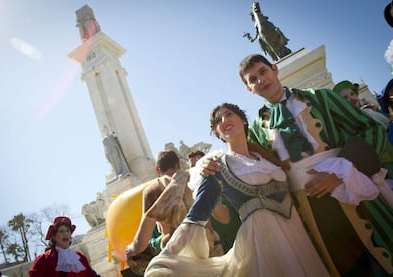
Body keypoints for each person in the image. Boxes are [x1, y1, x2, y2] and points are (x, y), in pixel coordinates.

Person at [199, 54, 393, 276]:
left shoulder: (321, 98)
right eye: (253, 79)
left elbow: (369, 128)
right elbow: (243, 157)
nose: (260, 80)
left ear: (275, 69)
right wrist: (206, 163)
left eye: (263, 72)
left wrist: (342, 169)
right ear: (249, 89)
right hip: (310, 216)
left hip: (354, 190)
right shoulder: (257, 128)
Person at [145, 103, 329, 276]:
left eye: (228, 114)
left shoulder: (268, 158)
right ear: (217, 133)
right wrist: (168, 254)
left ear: (243, 120)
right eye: (218, 121)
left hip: (298, 235)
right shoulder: (217, 165)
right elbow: (198, 213)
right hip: (261, 243)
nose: (224, 121)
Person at [125, 150, 223, 275]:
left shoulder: (153, 189)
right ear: (178, 165)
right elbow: (225, 218)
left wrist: (132, 249)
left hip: (180, 259)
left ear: (157, 170)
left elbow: (141, 242)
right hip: (211, 252)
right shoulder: (196, 180)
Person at [29, 216, 98, 277]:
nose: (66, 234)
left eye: (68, 231)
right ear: (53, 236)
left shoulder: (80, 257)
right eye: (61, 231)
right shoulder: (44, 259)